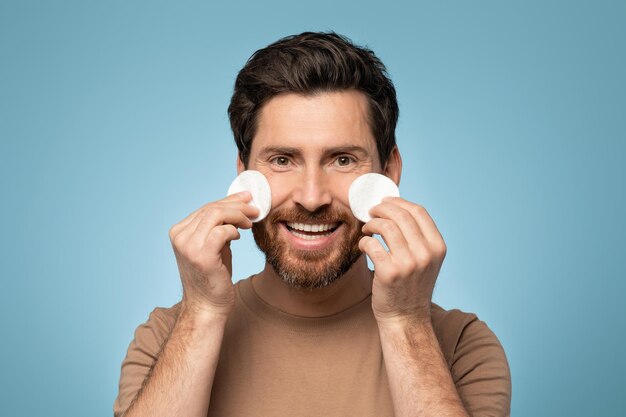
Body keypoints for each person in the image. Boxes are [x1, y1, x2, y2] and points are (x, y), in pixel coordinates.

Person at [114, 32, 511, 417]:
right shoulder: (166, 337)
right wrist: (201, 313)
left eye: (342, 159)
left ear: (389, 171)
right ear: (243, 172)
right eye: (283, 159)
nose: (311, 196)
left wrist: (405, 322)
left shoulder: (461, 346)